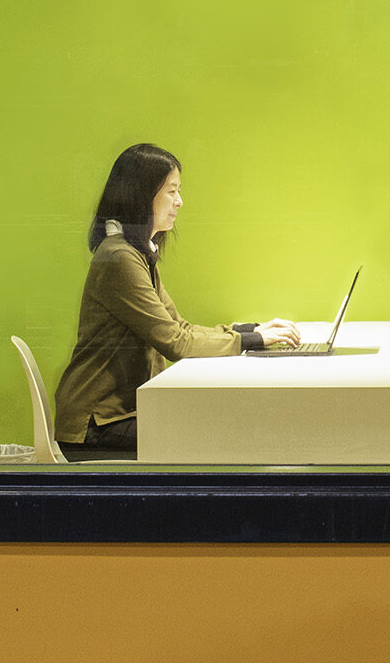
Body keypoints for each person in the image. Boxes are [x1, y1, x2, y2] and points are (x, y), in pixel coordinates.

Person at [53, 143, 298, 460]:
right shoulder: (119, 258)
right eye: (171, 191)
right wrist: (252, 340)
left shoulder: (135, 254)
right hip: (94, 425)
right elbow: (175, 342)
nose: (179, 201)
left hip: (113, 417)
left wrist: (250, 331)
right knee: (218, 434)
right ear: (142, 196)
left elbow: (179, 328)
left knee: (215, 428)